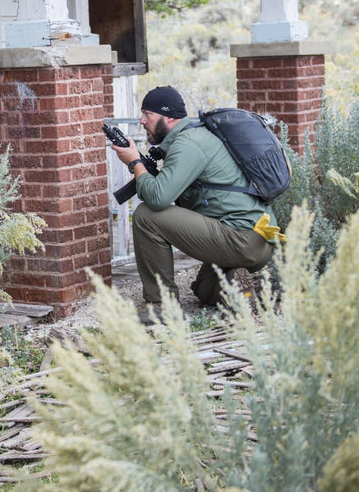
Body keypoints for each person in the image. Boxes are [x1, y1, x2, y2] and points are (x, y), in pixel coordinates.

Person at [111, 86, 283, 320]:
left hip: (241, 238)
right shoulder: (197, 135)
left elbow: (158, 198)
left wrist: (134, 163)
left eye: (147, 114)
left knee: (146, 216)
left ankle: (161, 306)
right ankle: (240, 287)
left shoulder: (187, 143)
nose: (142, 121)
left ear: (169, 116)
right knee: (203, 289)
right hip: (259, 242)